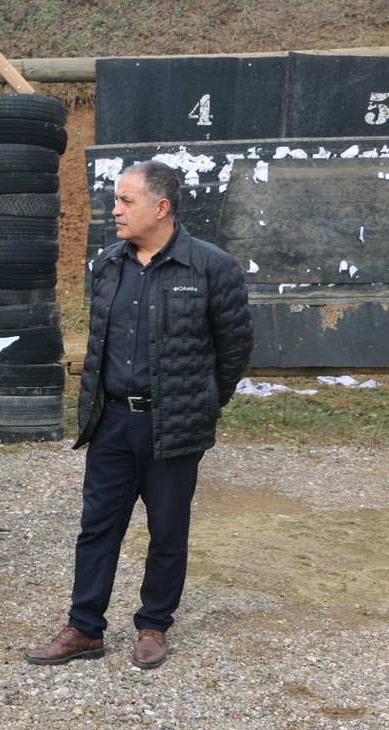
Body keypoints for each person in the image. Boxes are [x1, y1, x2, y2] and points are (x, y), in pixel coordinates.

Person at [25, 160, 252, 669]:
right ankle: (84, 629)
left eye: (126, 200)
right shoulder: (109, 264)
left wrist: (203, 404)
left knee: (167, 530)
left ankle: (154, 625)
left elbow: (234, 348)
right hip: (111, 422)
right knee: (97, 528)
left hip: (173, 425)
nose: (115, 210)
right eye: (116, 199)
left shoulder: (211, 267)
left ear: (161, 206)